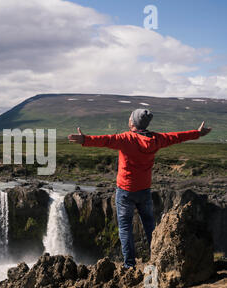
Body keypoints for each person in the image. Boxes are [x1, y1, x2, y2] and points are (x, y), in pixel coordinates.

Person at [67, 109, 212, 268]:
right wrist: (197, 133)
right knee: (150, 226)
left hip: (125, 192)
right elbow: (177, 137)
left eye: (130, 118)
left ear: (132, 123)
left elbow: (106, 140)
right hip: (144, 191)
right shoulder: (156, 139)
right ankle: (156, 258)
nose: (128, 119)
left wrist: (84, 140)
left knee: (125, 228)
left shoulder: (126, 139)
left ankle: (129, 265)